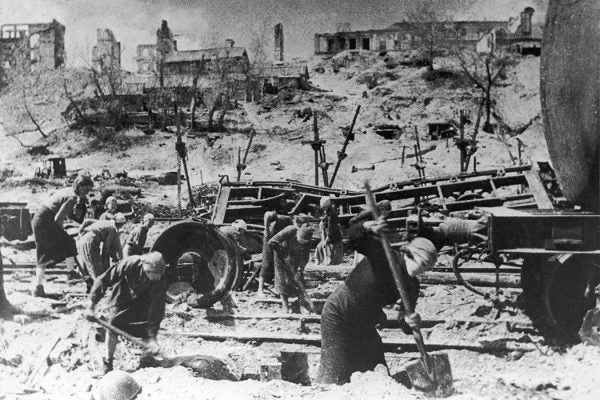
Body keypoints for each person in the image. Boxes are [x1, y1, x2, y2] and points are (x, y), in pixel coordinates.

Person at [318, 216, 437, 385]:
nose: (422, 272)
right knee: (334, 376)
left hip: (365, 323)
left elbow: (403, 320)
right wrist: (366, 226)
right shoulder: (386, 255)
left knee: (379, 376)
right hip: (339, 314)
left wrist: (411, 321)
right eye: (423, 264)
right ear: (410, 254)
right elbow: (352, 238)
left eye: (427, 269)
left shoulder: (412, 286)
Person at [85, 252, 167, 374]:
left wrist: (152, 337)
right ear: (146, 269)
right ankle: (108, 363)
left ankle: (146, 360)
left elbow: (157, 308)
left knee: (146, 329)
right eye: (155, 275)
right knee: (113, 326)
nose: (157, 278)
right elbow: (104, 279)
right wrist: (91, 306)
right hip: (123, 297)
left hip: (144, 302)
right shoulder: (131, 263)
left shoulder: (161, 279)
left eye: (159, 275)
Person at [31, 174, 94, 297]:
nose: (87, 193)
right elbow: (58, 218)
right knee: (69, 243)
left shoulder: (67, 191)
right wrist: (61, 231)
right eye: (86, 190)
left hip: (38, 219)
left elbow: (66, 214)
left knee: (43, 254)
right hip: (45, 222)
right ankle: (70, 274)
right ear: (80, 186)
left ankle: (38, 288)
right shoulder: (72, 197)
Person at [268, 219, 314, 313]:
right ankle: (285, 306)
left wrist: (301, 268)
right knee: (282, 280)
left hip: (295, 255)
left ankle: (302, 304)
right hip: (281, 255)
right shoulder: (290, 230)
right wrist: (283, 254)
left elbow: (305, 255)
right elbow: (271, 242)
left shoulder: (308, 240)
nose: (301, 244)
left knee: (299, 279)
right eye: (300, 241)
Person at [77, 214, 126, 290]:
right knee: (97, 267)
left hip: (82, 240)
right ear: (119, 223)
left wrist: (79, 231)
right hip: (90, 241)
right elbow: (106, 249)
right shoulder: (112, 228)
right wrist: (105, 265)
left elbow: (87, 221)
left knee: (86, 267)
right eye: (121, 224)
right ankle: (98, 289)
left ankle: (90, 285)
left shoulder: (104, 222)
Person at [257, 211, 293, 296]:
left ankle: (278, 287)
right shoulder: (281, 216)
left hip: (279, 239)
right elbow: (266, 215)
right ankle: (260, 290)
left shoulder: (291, 221)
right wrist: (266, 230)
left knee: (278, 263)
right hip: (269, 237)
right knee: (266, 262)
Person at [315, 196, 344, 266]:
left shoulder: (332, 215)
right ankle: (319, 261)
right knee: (319, 247)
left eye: (324, 207)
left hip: (333, 236)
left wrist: (326, 240)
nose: (323, 208)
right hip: (329, 234)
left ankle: (328, 261)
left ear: (327, 205)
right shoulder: (328, 211)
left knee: (324, 247)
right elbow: (326, 217)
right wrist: (322, 221)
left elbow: (331, 229)